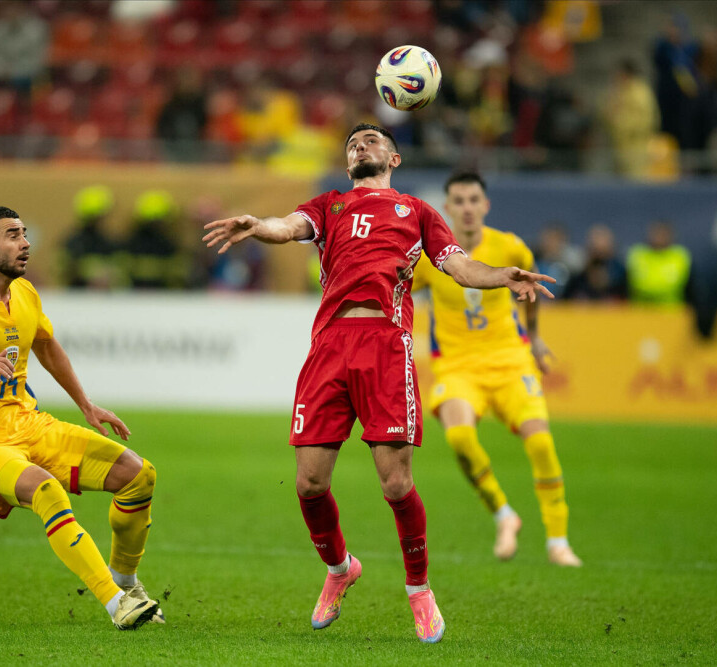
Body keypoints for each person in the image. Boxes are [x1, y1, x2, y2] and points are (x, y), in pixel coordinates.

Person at [203, 124, 556, 644]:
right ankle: (340, 568)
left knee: (395, 484)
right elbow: (287, 227)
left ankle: (419, 590)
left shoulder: (417, 213)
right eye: (352, 143)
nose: (359, 146)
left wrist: (503, 275)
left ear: (394, 157)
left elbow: (459, 267)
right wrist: (258, 225)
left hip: (386, 347)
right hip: (329, 347)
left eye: (370, 140)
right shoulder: (329, 206)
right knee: (309, 484)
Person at [0, 206, 162, 630]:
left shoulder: (25, 293)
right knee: (46, 489)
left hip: (30, 425)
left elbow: (47, 345)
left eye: (24, 234)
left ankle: (125, 582)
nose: (25, 243)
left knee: (138, 475)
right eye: (13, 235)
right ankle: (116, 605)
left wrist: (86, 405)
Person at [413, 171, 582, 569]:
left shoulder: (509, 247)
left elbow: (530, 287)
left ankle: (558, 541)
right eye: (459, 201)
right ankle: (504, 515)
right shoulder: (428, 258)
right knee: (459, 437)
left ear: (486, 205)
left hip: (509, 360)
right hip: (457, 366)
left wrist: (534, 336)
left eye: (474, 200)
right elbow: (395, 286)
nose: (467, 208)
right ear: (447, 208)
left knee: (541, 444)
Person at [626, 220, 691, 304]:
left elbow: (675, 285)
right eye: (656, 234)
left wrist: (653, 288)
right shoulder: (638, 254)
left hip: (671, 308)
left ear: (670, 236)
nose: (659, 238)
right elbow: (637, 283)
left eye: (663, 235)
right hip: (640, 308)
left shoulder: (679, 255)